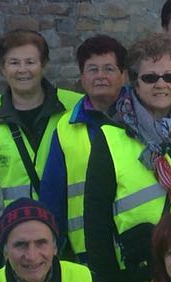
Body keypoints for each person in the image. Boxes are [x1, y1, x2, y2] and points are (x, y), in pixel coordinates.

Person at [82, 33, 171, 282]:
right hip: (143, 272)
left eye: (169, 76)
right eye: (150, 77)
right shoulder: (111, 136)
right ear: (135, 82)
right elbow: (96, 218)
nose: (161, 84)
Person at [39, 35, 127, 259]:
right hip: (90, 253)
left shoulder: (145, 119)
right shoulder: (66, 128)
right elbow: (53, 195)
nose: (100, 76)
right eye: (92, 69)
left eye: (109, 68)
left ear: (124, 75)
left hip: (141, 247)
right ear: (82, 77)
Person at [0, 29, 81, 205]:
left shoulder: (76, 107)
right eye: (14, 63)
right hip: (11, 221)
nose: (22, 70)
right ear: (3, 68)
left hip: (67, 219)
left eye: (30, 62)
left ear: (43, 65)